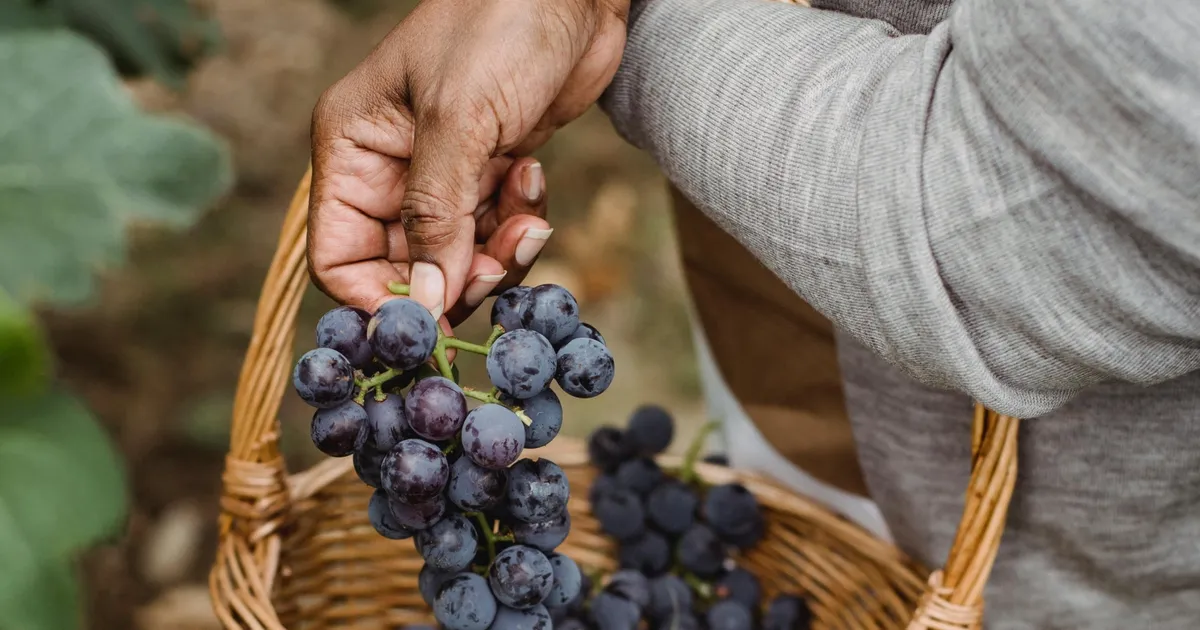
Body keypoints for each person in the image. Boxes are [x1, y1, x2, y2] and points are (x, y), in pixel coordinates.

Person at [306, 0, 1200, 626]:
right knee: (768, 512)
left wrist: (617, 23)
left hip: (1092, 540)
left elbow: (1029, 213)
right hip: (797, 298)